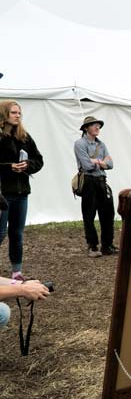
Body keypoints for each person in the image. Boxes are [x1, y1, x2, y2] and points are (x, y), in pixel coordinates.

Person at [0, 100, 44, 282]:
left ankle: (16, 273)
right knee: (0, 233)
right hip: (2, 194)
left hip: (21, 193)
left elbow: (39, 160)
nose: (18, 115)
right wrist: (9, 167)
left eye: (19, 113)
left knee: (17, 234)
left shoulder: (24, 137)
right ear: (3, 115)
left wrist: (27, 165)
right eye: (13, 112)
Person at [74, 116, 117, 257]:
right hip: (88, 181)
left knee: (108, 214)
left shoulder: (101, 144)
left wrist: (95, 161)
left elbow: (111, 164)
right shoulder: (80, 143)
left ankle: (107, 245)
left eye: (98, 125)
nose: (97, 127)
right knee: (89, 214)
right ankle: (92, 246)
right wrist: (101, 161)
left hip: (101, 180)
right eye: (94, 125)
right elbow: (86, 165)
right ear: (86, 128)